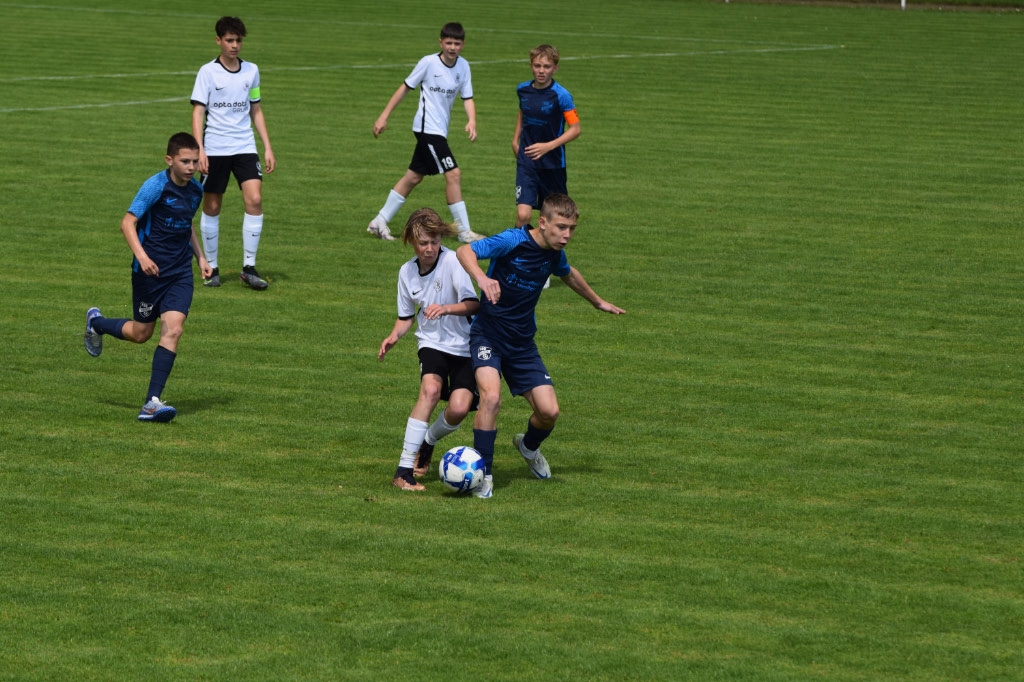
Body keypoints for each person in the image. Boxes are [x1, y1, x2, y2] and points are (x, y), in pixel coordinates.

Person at [456, 194, 625, 498]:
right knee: (491, 399)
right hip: (488, 336)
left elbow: (568, 274)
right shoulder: (512, 240)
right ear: (543, 222)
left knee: (549, 412)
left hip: (522, 343)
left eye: (572, 229)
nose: (567, 235)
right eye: (561, 227)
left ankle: (528, 446)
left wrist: (597, 302)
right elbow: (464, 250)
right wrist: (482, 278)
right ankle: (484, 476)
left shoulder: (554, 253)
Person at [83, 132, 211, 422]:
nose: (192, 167)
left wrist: (201, 257)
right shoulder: (155, 186)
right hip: (149, 273)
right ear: (169, 160)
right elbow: (127, 223)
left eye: (194, 161)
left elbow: (187, 224)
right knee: (142, 334)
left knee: (174, 330)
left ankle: (151, 402)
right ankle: (96, 323)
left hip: (180, 272)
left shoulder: (195, 190)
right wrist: (142, 257)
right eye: (185, 161)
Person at [379, 208, 481, 491]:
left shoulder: (453, 262)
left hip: (464, 345)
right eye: (423, 243)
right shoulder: (406, 272)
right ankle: (403, 471)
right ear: (412, 242)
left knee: (459, 409)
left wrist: (446, 309)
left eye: (434, 242)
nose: (429, 248)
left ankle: (428, 440)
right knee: (431, 390)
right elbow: (405, 317)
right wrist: (394, 336)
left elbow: (474, 304)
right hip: (431, 342)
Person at [367, 22, 483, 244]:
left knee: (413, 177)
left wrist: (472, 121)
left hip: (439, 130)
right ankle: (464, 231)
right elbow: (405, 87)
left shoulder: (464, 66)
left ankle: (379, 221)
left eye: (457, 43)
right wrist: (383, 116)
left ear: (463, 44)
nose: (452, 47)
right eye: (448, 43)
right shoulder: (428, 63)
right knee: (453, 174)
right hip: (427, 129)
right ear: (440, 42)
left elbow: (467, 97)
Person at [190, 15, 276, 290]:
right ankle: (212, 268)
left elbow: (256, 108)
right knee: (213, 205)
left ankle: (249, 267)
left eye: (238, 40)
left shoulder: (252, 71)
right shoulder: (207, 72)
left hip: (245, 146)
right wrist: (200, 151)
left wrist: (267, 146)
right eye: (229, 40)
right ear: (218, 41)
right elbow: (198, 112)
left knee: (255, 199)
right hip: (215, 148)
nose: (235, 45)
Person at [512, 44, 580, 229]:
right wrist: (515, 140)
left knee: (555, 217)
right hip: (527, 161)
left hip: (553, 165)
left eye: (547, 66)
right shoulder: (522, 90)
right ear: (531, 66)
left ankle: (543, 247)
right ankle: (518, 247)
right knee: (523, 215)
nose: (541, 71)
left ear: (555, 68)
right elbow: (523, 112)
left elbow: (575, 129)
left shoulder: (562, 96)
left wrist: (548, 146)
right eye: (537, 66)